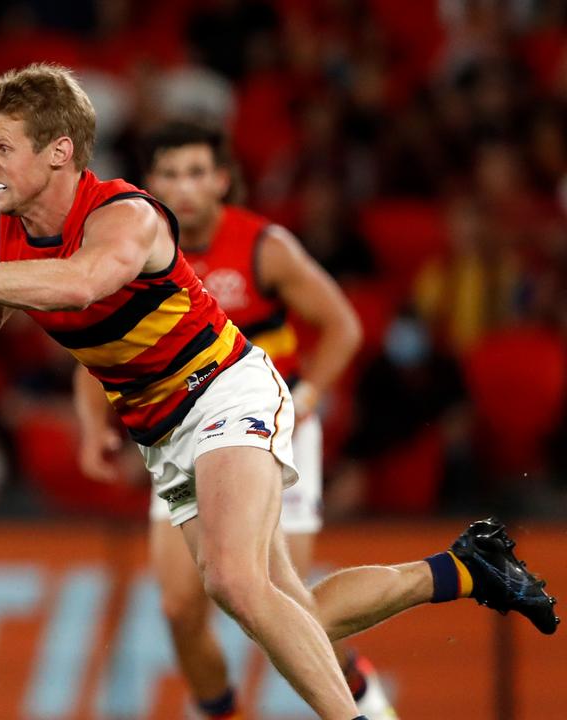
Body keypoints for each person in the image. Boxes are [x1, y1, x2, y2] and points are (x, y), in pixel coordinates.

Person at [0, 63, 558, 720]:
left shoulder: (127, 216)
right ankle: (466, 568)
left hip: (225, 390)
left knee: (235, 585)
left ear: (59, 151)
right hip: (162, 433)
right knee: (280, 606)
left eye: (2, 147)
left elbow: (80, 282)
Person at [73, 120, 390, 719]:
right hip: (181, 430)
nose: (183, 188)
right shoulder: (130, 247)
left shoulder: (262, 247)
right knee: (179, 609)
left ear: (222, 180)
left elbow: (342, 324)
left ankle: (367, 702)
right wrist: (93, 427)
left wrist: (313, 393)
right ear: (150, 183)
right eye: (169, 174)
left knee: (285, 605)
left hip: (266, 423)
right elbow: (94, 341)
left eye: (196, 173)